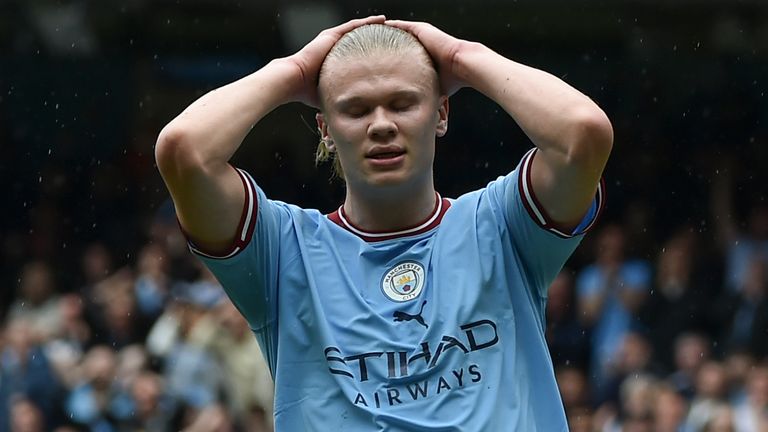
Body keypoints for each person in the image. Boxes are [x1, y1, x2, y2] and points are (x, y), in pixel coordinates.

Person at [155, 15, 612, 431]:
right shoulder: (282, 251)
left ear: (441, 113)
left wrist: (462, 57)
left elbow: (584, 134)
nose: (381, 125)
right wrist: (293, 71)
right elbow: (184, 151)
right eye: (355, 110)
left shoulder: (501, 226)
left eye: (402, 103)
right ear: (325, 131)